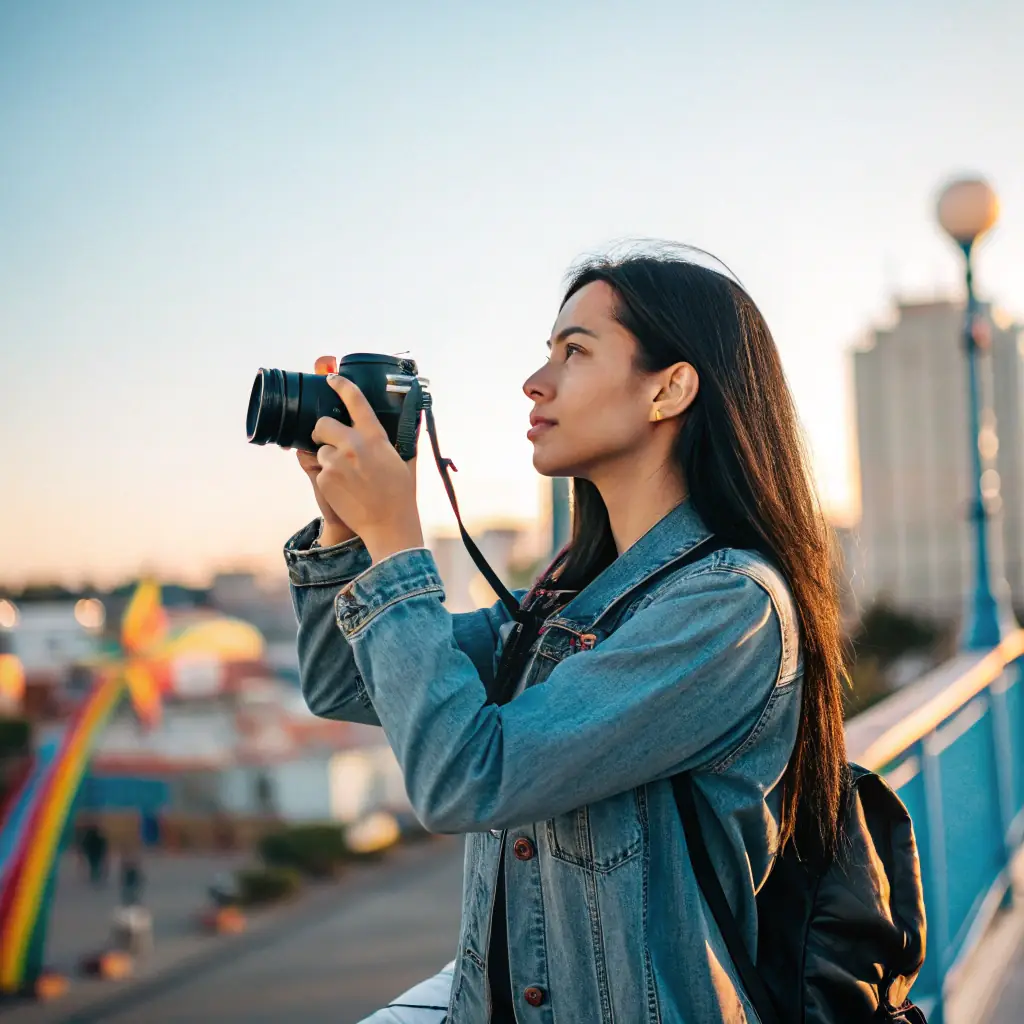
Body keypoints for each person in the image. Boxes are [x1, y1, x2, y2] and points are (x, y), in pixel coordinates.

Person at [283, 247, 848, 1023]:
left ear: (669, 389)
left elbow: (465, 780)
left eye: (574, 352)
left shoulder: (728, 609)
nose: (534, 381)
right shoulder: (565, 606)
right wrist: (344, 530)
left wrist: (395, 541)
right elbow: (345, 684)